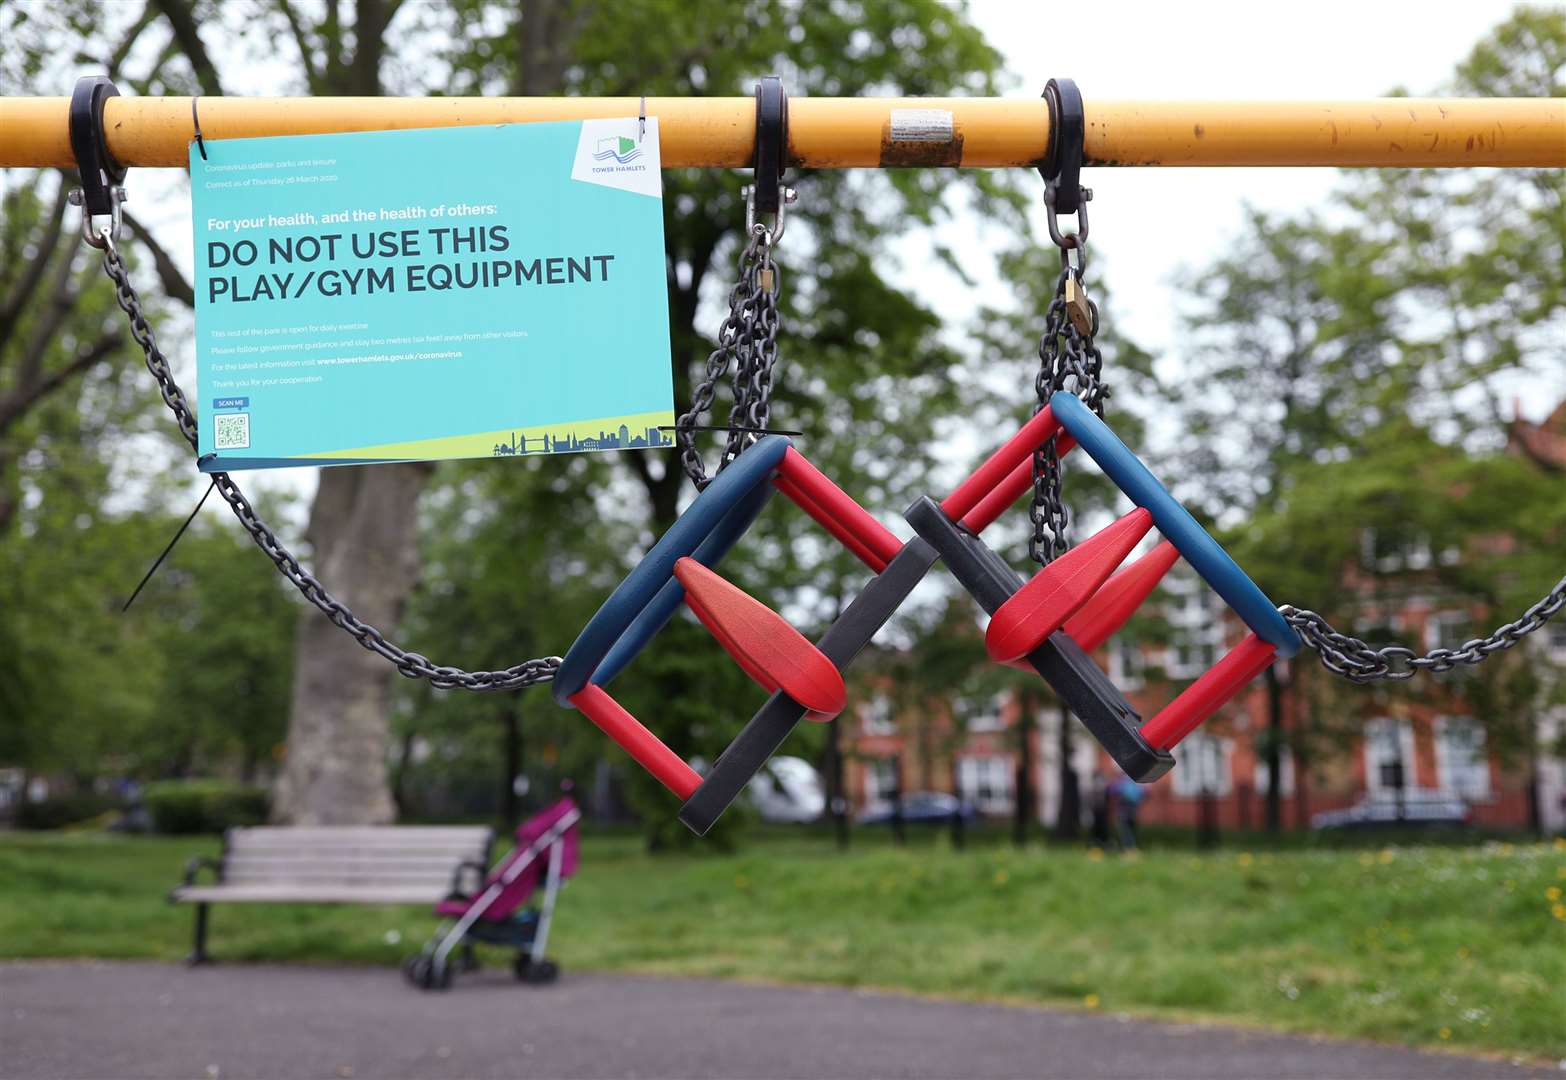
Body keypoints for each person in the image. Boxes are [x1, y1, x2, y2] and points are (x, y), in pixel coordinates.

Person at [1111, 774, 1146, 850]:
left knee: (1125, 831)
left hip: (1123, 812)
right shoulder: (1136, 784)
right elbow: (1144, 793)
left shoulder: (1122, 783)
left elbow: (1112, 790)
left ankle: (1128, 848)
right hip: (1133, 811)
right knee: (1132, 831)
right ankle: (1133, 848)